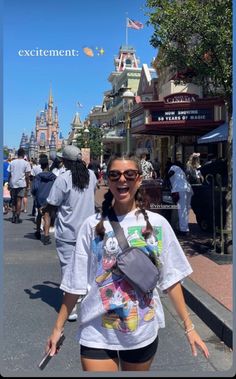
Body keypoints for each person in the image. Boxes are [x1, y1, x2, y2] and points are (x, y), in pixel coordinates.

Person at [44, 153, 209, 372]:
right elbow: (74, 283)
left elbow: (171, 280)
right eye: (115, 175)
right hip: (97, 333)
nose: (122, 180)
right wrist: (58, 328)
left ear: (139, 179)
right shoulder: (91, 225)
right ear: (107, 180)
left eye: (130, 174)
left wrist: (189, 328)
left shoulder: (158, 225)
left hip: (141, 333)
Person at [41, 145, 97, 320]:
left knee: (68, 269)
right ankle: (83, 299)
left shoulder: (63, 179)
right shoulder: (92, 176)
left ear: (64, 161)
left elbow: (53, 203)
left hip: (67, 232)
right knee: (86, 267)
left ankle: (70, 309)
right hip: (88, 231)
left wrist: (45, 229)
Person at [31, 156, 57, 245]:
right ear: (48, 165)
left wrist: (35, 194)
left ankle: (38, 231)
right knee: (47, 216)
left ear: (41, 166)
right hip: (49, 197)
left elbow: (35, 188)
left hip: (39, 197)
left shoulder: (38, 177)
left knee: (39, 214)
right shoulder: (53, 177)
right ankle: (46, 236)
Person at [168, 162, 193, 236]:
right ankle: (185, 227)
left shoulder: (173, 167)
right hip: (188, 189)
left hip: (180, 189)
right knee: (186, 209)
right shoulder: (181, 171)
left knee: (182, 209)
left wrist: (166, 178)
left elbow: (170, 173)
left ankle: (183, 230)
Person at [7, 148, 31, 224]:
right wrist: (28, 185)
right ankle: (17, 217)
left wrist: (8, 183)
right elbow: (27, 175)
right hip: (21, 184)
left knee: (13, 200)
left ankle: (13, 216)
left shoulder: (12, 162)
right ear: (24, 155)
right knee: (19, 200)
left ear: (17, 154)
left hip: (13, 183)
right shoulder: (26, 163)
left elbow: (9, 174)